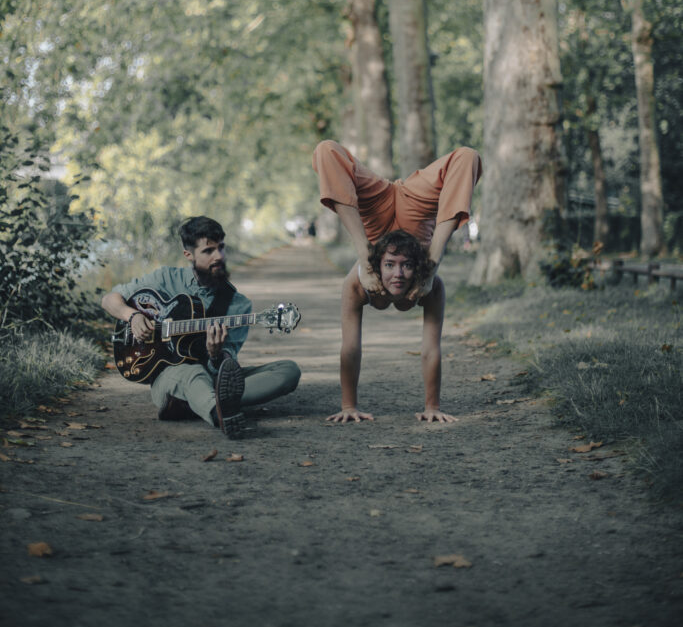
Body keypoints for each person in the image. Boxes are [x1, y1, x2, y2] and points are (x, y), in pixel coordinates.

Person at [312, 140, 482, 423]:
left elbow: (431, 348)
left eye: (406, 269)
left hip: (415, 207)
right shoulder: (357, 284)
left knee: (467, 156)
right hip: (375, 212)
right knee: (326, 150)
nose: (398, 275)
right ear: (379, 269)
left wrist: (432, 407)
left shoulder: (429, 286)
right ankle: (367, 255)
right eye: (390, 267)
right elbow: (350, 347)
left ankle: (432, 262)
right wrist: (348, 406)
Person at [101, 216, 301, 437]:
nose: (218, 256)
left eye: (221, 248)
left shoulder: (237, 304)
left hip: (214, 379)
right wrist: (133, 316)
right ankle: (219, 413)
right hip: (171, 377)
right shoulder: (165, 278)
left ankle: (197, 403)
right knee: (192, 371)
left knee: (288, 370)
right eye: (208, 251)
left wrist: (215, 355)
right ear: (189, 255)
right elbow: (109, 299)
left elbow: (226, 366)